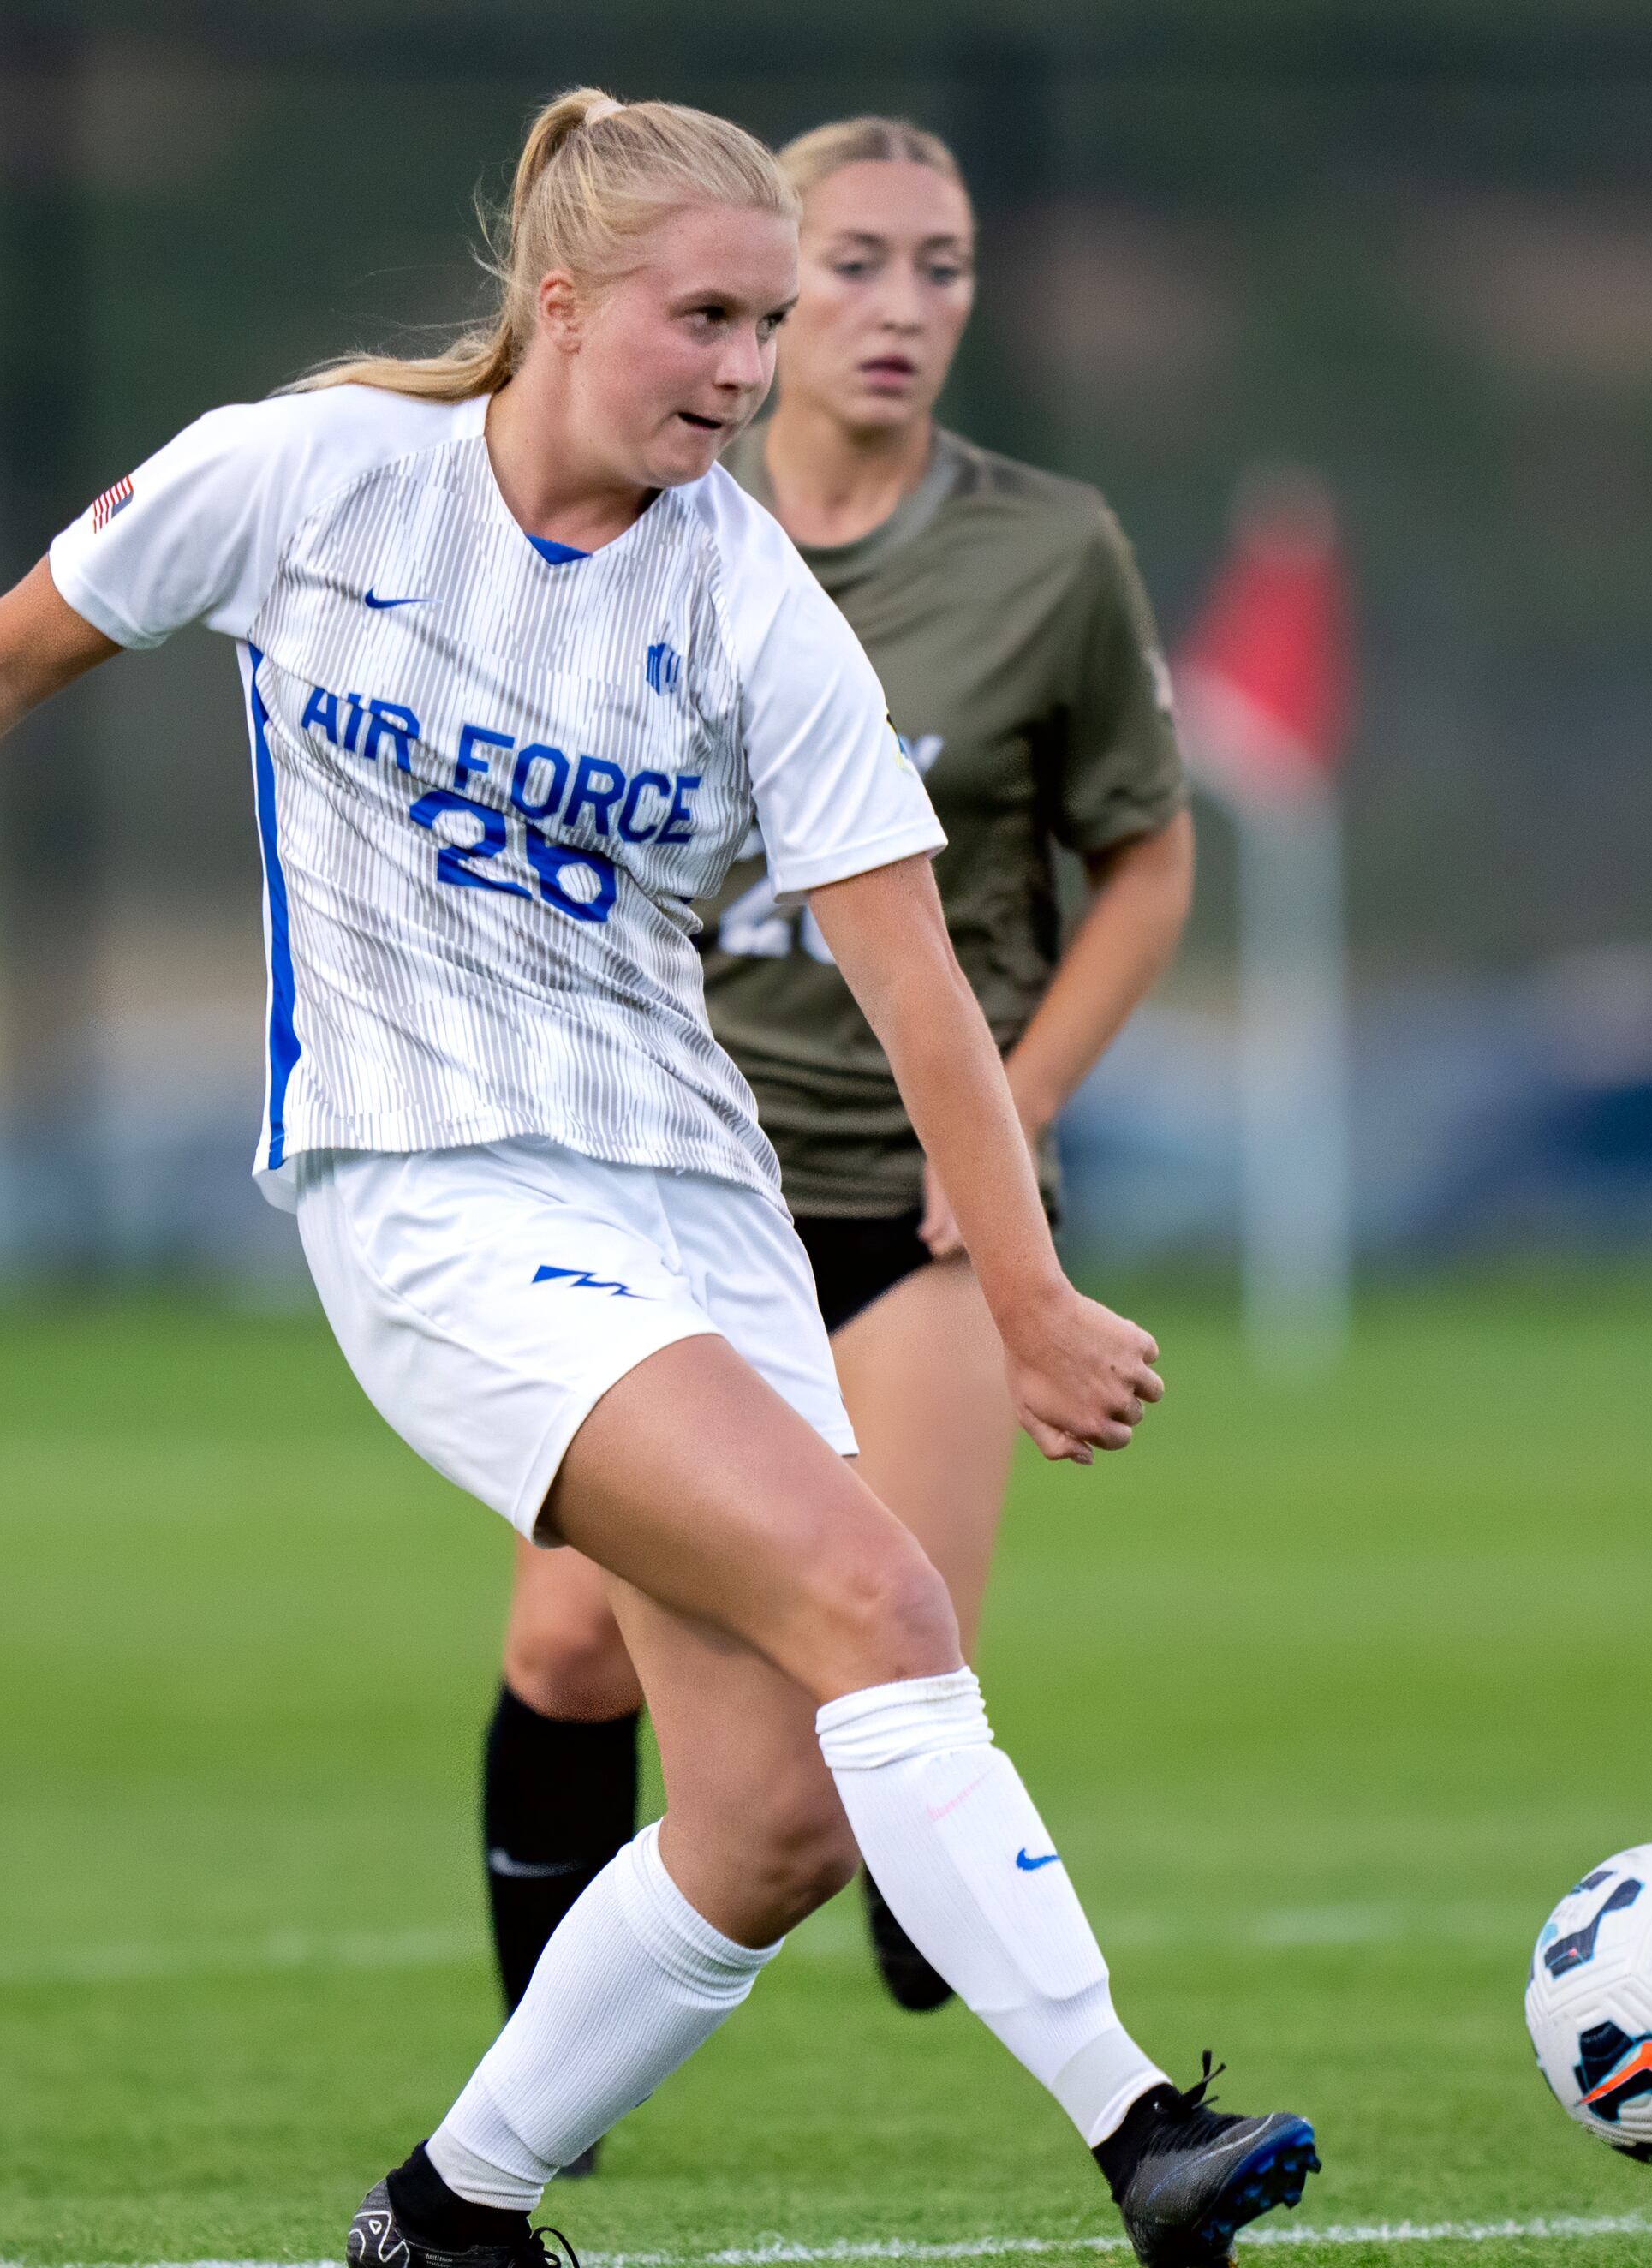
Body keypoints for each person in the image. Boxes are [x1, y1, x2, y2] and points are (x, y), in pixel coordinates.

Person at [0, 88, 1312, 2268]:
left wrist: (1025, 1286)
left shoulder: (748, 599)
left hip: (689, 1203)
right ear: (564, 300)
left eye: (768, 323)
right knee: (876, 1586)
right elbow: (0, 657)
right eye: (708, 316)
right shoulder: (308, 476)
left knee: (775, 1817)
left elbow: (921, 989)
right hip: (429, 1200)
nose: (746, 365)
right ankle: (1136, 2125)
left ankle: (456, 2202)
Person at [478, 113, 1198, 2087]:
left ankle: (946, 1915)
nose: (898, 306)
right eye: (854, 260)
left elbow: (1146, 856)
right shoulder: (627, 522)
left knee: (885, 1695)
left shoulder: (1043, 552)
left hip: (917, 1202)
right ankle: (540, 2099)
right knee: (561, 1648)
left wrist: (1020, 1127)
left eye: (942, 263)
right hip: (658, 1198)